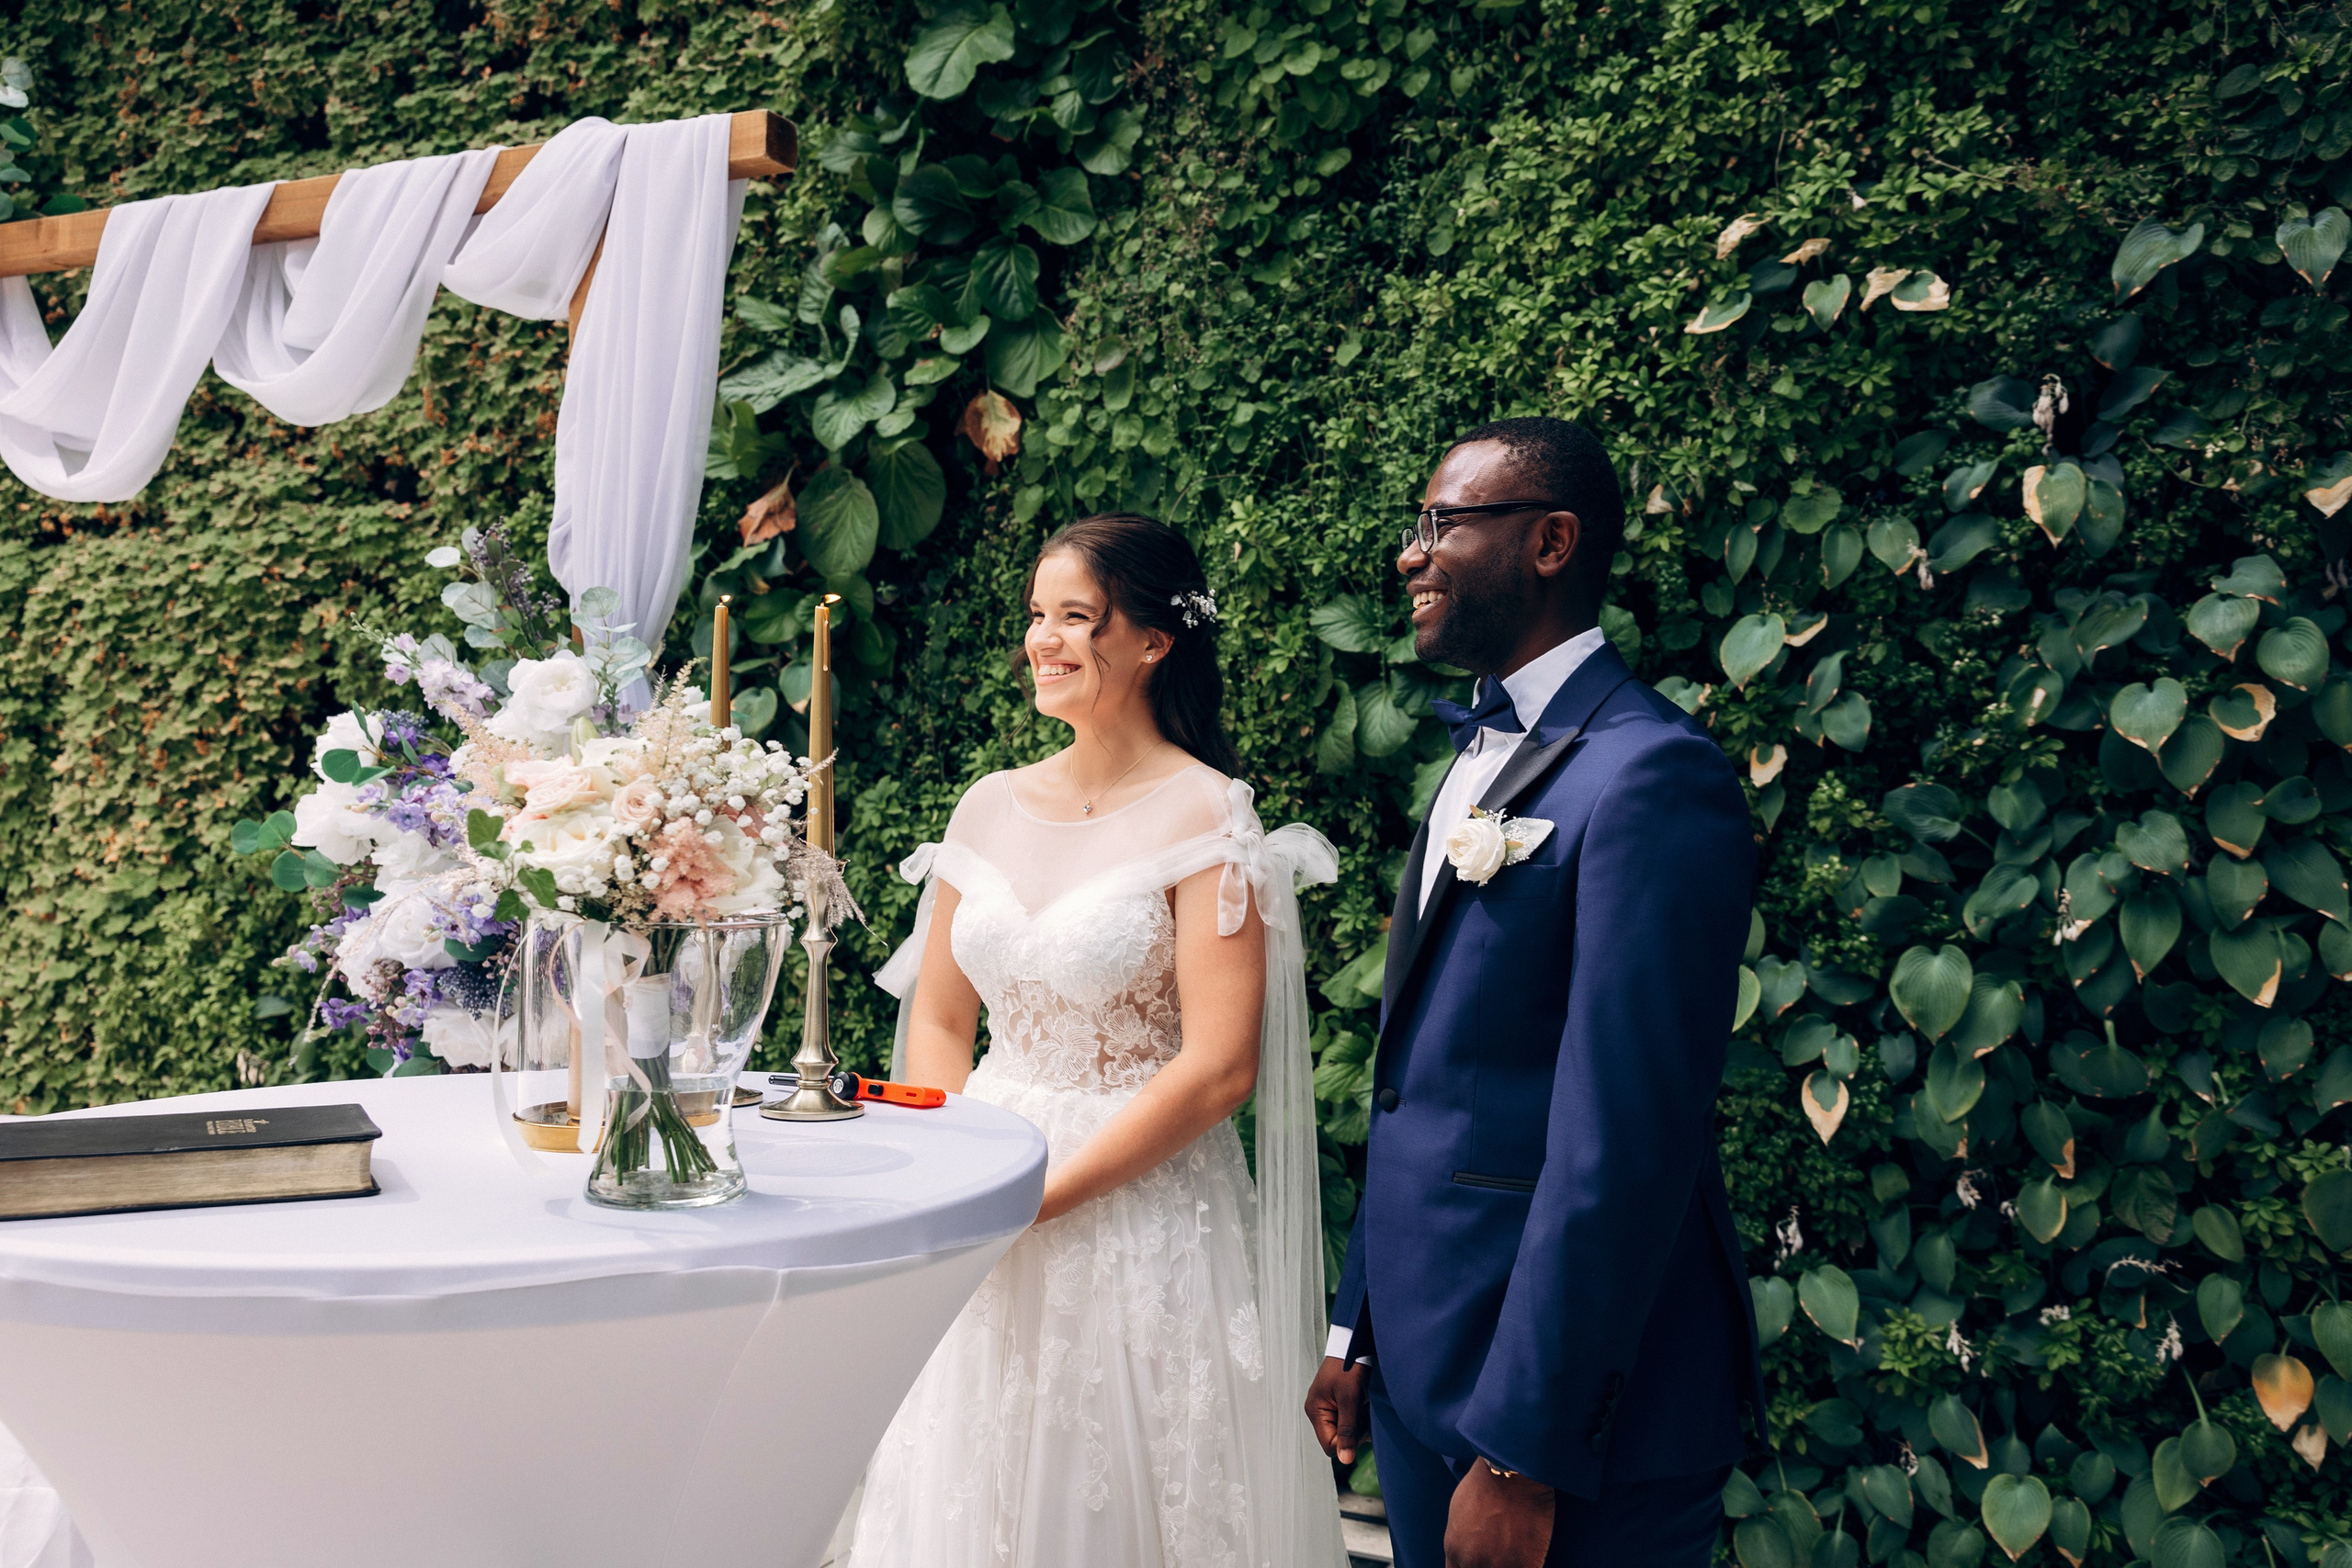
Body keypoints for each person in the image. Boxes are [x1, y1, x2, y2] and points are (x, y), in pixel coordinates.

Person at [1303, 418, 1764, 1568]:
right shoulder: (1475, 756)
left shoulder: (1653, 774)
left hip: (1560, 1416)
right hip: (1419, 1369)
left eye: (1443, 525)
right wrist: (1355, 1324)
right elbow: (1418, 1078)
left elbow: (1626, 1140)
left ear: (1551, 541)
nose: (1411, 555)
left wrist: (1525, 1451)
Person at [847, 513, 1347, 1568]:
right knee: (963, 1479)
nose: (1043, 640)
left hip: (1133, 1203)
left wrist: (1039, 1195)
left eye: (1075, 617)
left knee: (1113, 1494)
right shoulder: (986, 805)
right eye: (1037, 616)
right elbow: (940, 1017)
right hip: (980, 1179)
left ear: (1153, 639)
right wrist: (958, 1166)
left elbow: (1218, 1069)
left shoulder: (1208, 814)